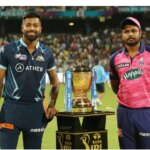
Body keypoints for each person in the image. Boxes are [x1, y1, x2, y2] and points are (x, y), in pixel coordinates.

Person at [0, 12, 59, 149]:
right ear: (22, 28)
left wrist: (51, 105)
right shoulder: (7, 50)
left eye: (35, 25)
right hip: (11, 110)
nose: (31, 28)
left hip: (36, 112)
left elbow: (55, 83)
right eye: (28, 25)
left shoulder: (47, 53)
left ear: (40, 28)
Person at [109, 16, 150, 149]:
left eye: (133, 30)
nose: (130, 34)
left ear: (140, 32)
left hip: (146, 112)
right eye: (126, 31)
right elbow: (115, 86)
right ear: (122, 34)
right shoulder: (115, 58)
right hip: (124, 113)